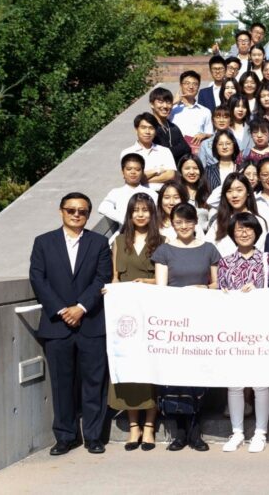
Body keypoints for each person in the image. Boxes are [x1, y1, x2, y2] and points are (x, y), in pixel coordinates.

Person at [29, 192, 112, 456]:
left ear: (88, 214)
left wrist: (81, 308)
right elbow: (38, 279)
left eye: (82, 211)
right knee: (61, 383)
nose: (77, 214)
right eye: (71, 210)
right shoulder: (43, 242)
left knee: (94, 382)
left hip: (91, 323)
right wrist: (63, 310)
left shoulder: (99, 243)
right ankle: (65, 436)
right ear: (61, 211)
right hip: (57, 325)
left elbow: (102, 278)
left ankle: (94, 436)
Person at [152, 203, 220, 451]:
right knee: (174, 377)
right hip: (174, 322)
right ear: (171, 223)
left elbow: (216, 284)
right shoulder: (164, 251)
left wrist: (202, 289)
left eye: (188, 221)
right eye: (178, 222)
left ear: (196, 223)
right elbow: (161, 289)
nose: (183, 226)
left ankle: (195, 431)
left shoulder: (209, 249)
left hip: (201, 319)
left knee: (197, 377)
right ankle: (178, 432)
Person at [217, 212, 269, 454]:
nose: (244, 233)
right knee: (234, 384)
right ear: (232, 233)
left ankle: (260, 432)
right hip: (234, 330)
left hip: (261, 329)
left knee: (259, 383)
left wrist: (258, 292)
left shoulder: (268, 260)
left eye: (248, 228)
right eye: (239, 229)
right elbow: (220, 296)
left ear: (256, 232)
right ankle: (237, 433)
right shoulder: (225, 262)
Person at [109, 193, 161, 451]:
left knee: (149, 369)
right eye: (135, 210)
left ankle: (149, 427)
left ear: (152, 213)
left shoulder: (161, 241)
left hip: (151, 312)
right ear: (129, 214)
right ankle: (133, 427)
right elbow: (115, 277)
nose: (140, 215)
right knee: (128, 367)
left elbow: (166, 279)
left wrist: (148, 282)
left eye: (145, 210)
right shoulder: (118, 241)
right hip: (126, 315)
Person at [98, 153, 153, 226]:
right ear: (122, 172)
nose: (133, 172)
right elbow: (103, 207)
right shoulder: (116, 192)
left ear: (142, 172)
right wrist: (126, 219)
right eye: (129, 169)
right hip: (125, 233)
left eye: (137, 169)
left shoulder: (152, 193)